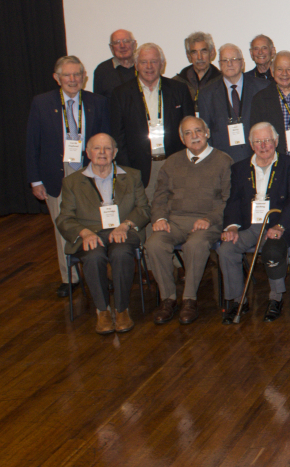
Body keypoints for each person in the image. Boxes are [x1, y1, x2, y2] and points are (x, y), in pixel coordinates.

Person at [26, 55, 111, 297]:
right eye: (67, 75)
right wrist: (35, 180)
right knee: (62, 225)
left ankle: (100, 274)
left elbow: (107, 140)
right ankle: (69, 278)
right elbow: (32, 143)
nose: (73, 79)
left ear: (84, 77)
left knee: (96, 223)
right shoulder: (42, 103)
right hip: (57, 172)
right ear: (57, 78)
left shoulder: (98, 102)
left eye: (77, 74)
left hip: (91, 171)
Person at [55, 133, 149, 335]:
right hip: (91, 233)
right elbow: (64, 218)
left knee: (121, 252)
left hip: (123, 230)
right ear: (88, 153)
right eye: (97, 148)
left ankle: (122, 309)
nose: (102, 152)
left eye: (107, 148)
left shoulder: (132, 176)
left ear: (115, 152)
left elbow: (143, 209)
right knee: (94, 256)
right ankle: (102, 311)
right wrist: (84, 232)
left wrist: (125, 225)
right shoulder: (72, 182)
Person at [144, 116, 232, 326]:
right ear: (182, 139)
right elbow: (160, 196)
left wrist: (210, 218)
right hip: (175, 221)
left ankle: (189, 300)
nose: (194, 136)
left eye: (198, 131)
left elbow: (229, 200)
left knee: (195, 244)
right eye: (188, 133)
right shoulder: (171, 162)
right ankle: (168, 298)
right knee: (154, 243)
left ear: (207, 133)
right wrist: (160, 218)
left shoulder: (223, 161)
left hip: (208, 222)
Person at [217, 123, 290, 324]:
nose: (263, 146)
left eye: (267, 140)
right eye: (258, 141)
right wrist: (231, 227)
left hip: (278, 224)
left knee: (273, 249)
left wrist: (280, 226)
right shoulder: (239, 168)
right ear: (251, 144)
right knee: (226, 249)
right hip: (248, 225)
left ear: (276, 141)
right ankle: (238, 300)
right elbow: (233, 201)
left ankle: (276, 299)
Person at [109, 42, 194, 197]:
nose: (149, 66)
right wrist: (129, 171)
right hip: (139, 169)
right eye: (144, 62)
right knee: (144, 210)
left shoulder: (179, 89)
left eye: (154, 61)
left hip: (174, 165)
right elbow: (118, 137)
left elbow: (189, 129)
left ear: (162, 64)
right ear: (136, 65)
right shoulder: (120, 94)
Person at [197, 43, 267, 164]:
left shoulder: (262, 88)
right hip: (222, 162)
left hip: (258, 158)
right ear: (219, 65)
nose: (229, 64)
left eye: (234, 59)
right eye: (225, 60)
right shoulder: (206, 94)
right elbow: (206, 134)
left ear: (242, 63)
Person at [249, 52, 290, 159]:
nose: (284, 73)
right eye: (279, 69)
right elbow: (256, 135)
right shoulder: (260, 99)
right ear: (272, 71)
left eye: (289, 69)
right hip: (276, 159)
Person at [176, 31, 221, 103]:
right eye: (194, 52)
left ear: (212, 53)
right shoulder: (177, 83)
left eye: (204, 52)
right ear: (188, 56)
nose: (200, 57)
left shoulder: (222, 82)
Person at [93, 28, 137, 95]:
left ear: (134, 45)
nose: (122, 46)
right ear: (111, 48)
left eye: (126, 41)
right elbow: (98, 99)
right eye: (117, 42)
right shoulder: (102, 70)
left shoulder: (144, 67)